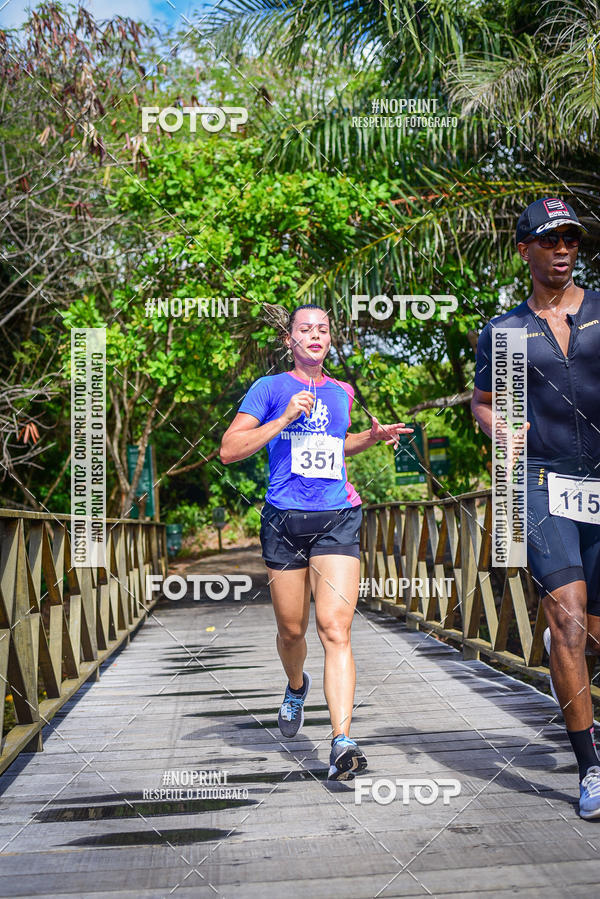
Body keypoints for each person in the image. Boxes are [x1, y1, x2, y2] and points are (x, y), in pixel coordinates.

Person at [220, 303, 412, 780]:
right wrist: (284, 417)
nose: (315, 335)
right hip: (284, 520)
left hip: (337, 516)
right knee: (292, 632)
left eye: (323, 329)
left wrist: (371, 437)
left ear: (330, 339)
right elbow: (229, 450)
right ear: (290, 340)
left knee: (335, 628)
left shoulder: (342, 392)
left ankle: (342, 740)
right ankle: (295, 685)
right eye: (305, 329)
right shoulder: (269, 388)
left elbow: (335, 446)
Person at [471, 197, 600, 819]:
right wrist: (498, 427)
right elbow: (483, 401)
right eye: (550, 240)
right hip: (541, 482)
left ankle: (569, 663)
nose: (563, 249)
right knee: (568, 621)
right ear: (525, 249)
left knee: (592, 632)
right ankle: (590, 768)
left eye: (570, 239)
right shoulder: (505, 332)